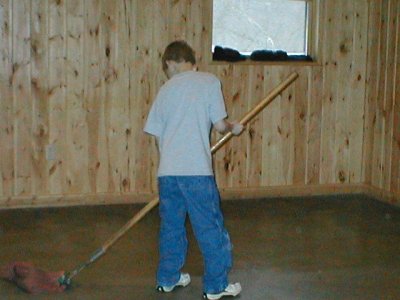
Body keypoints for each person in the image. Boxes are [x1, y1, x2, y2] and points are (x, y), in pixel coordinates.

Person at [144, 40, 243, 300]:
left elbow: (156, 136)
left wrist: (169, 163)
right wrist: (235, 127)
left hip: (168, 174)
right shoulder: (209, 82)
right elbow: (220, 125)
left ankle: (168, 278)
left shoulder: (165, 90)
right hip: (196, 172)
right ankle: (216, 286)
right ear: (191, 62)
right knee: (209, 228)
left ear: (170, 63)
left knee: (172, 228)